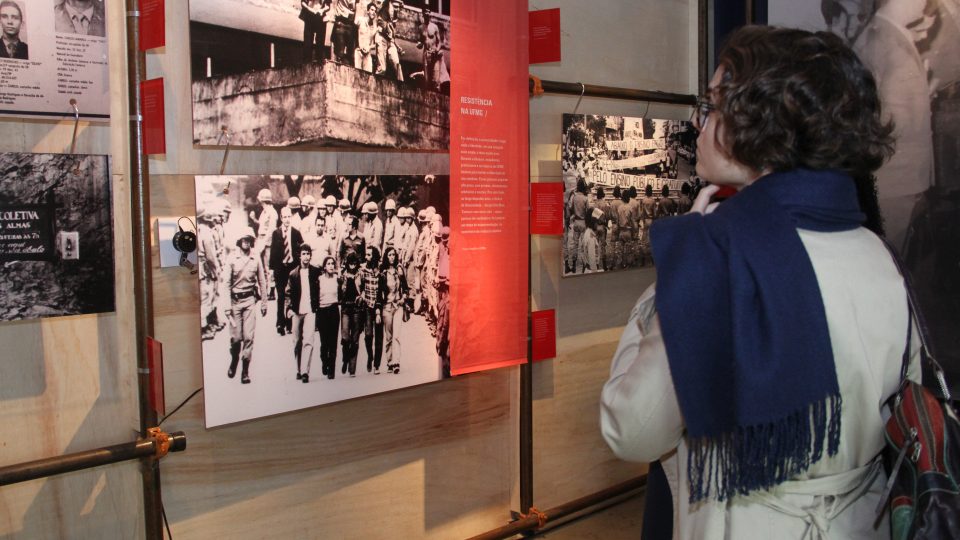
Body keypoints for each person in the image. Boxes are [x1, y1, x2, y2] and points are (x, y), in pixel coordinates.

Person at [600, 26, 916, 539]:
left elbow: (631, 429)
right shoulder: (877, 250)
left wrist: (671, 288)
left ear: (759, 123)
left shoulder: (715, 253)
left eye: (711, 107)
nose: (698, 125)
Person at [225, 228, 268, 385]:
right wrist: (226, 307)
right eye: (244, 239)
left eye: (249, 239)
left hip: (249, 301)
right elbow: (226, 284)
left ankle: (245, 371)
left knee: (248, 337)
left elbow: (262, 281)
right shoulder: (232, 258)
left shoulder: (255, 258)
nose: (246, 242)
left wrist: (264, 303)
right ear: (239, 241)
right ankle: (234, 358)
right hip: (235, 302)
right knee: (236, 338)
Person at [286, 244, 320, 383]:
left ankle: (305, 371)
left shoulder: (315, 272)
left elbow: (320, 288)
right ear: (299, 255)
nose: (306, 257)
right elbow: (287, 293)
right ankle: (298, 369)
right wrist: (288, 308)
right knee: (297, 341)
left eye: (308, 254)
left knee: (308, 341)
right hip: (297, 311)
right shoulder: (293, 274)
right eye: (303, 254)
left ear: (311, 256)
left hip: (310, 310)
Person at [269, 207, 304, 336]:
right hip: (280, 269)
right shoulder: (276, 233)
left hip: (292, 268)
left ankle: (290, 324)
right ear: (281, 218)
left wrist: (298, 265)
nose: (287, 220)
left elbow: (301, 249)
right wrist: (272, 271)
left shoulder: (296, 233)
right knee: (281, 296)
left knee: (292, 296)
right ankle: (280, 323)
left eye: (289, 217)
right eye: (284, 217)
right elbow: (273, 253)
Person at [378, 246, 407, 374]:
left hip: (398, 306)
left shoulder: (399, 270)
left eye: (393, 255)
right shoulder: (383, 273)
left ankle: (396, 362)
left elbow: (406, 289)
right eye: (389, 255)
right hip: (387, 307)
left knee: (397, 336)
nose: (392, 257)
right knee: (389, 336)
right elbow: (379, 292)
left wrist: (403, 299)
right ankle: (389, 361)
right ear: (386, 257)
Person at [359, 245, 383, 374]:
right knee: (368, 335)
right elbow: (360, 285)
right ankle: (370, 356)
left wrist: (379, 309)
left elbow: (381, 291)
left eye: (369, 255)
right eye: (366, 255)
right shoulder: (362, 269)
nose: (366, 257)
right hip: (368, 306)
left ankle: (377, 365)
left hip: (378, 306)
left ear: (374, 256)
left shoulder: (380, 271)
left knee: (379, 337)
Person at [339, 253, 363, 377]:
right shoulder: (342, 275)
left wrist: (361, 296)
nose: (352, 265)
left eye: (354, 263)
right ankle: (345, 359)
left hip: (357, 308)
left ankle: (352, 369)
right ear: (347, 263)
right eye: (350, 263)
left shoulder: (360, 274)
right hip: (345, 308)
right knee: (345, 338)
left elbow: (364, 288)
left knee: (355, 339)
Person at [316, 256, 340, 379]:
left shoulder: (337, 279)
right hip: (322, 311)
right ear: (324, 266)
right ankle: (324, 361)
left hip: (334, 310)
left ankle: (332, 370)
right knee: (324, 343)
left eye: (332, 264)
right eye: (328, 264)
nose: (331, 266)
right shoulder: (319, 279)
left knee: (333, 342)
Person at [375, 0, 404, 81]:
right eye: (395, 7)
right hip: (381, 38)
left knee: (397, 64)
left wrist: (398, 46)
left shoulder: (395, 17)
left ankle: (401, 85)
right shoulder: (385, 6)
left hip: (390, 41)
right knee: (382, 68)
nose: (397, 9)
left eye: (398, 7)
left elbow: (392, 36)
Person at [354, 1, 377, 72]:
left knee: (368, 75)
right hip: (358, 52)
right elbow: (353, 33)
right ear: (367, 11)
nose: (373, 12)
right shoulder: (360, 20)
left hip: (367, 54)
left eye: (375, 11)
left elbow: (375, 44)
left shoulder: (375, 28)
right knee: (357, 73)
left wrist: (369, 47)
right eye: (372, 10)